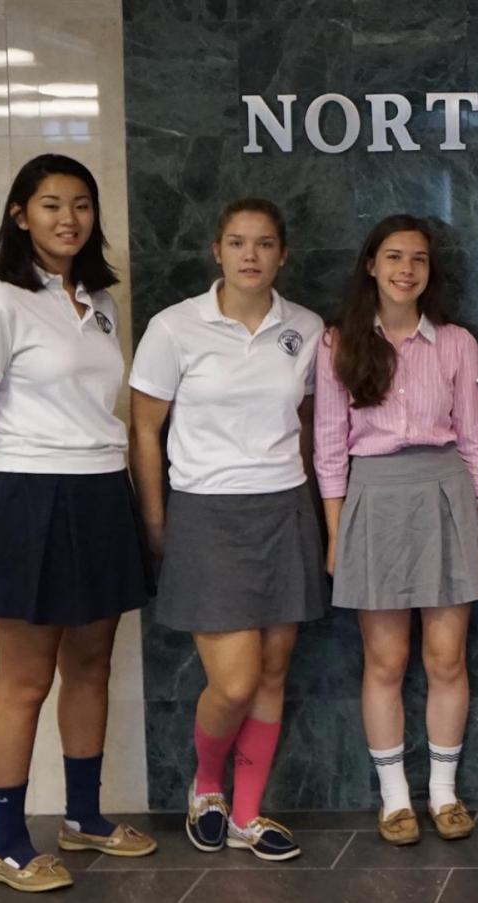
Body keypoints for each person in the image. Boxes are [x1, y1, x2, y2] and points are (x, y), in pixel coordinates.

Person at [0, 154, 157, 892]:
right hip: (28, 498)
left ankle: (84, 818)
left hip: (101, 491)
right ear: (20, 215)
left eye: (80, 204)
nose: (68, 218)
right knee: (25, 678)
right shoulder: (0, 303)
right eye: (50, 204)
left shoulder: (98, 301)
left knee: (90, 665)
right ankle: (7, 843)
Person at [129, 198, 326, 862]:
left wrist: (310, 508)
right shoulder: (174, 327)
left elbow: (307, 426)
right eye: (238, 242)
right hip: (205, 511)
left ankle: (246, 813)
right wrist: (157, 520)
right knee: (235, 681)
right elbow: (145, 430)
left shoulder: (305, 327)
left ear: (282, 254)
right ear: (217, 251)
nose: (251, 255)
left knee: (272, 672)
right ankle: (207, 786)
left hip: (283, 508)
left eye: (264, 243)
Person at [314, 214, 478, 846]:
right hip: (374, 496)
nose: (405, 269)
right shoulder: (338, 342)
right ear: (371, 265)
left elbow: (474, 441)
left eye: (417, 259)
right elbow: (328, 445)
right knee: (385, 660)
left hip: (444, 491)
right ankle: (394, 800)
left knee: (446, 657)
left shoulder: (457, 343)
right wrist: (336, 533)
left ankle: (443, 793)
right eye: (393, 257)